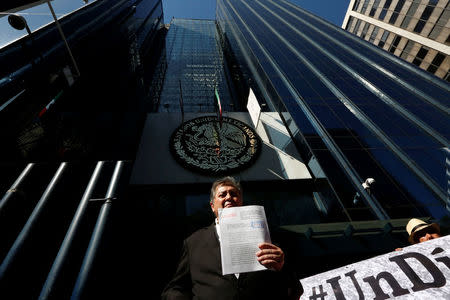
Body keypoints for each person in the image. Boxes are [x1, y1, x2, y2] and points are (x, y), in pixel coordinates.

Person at [161, 176, 302, 300]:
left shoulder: (266, 236)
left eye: (234, 194)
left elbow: (294, 288)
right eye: (222, 195)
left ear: (241, 201)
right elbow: (175, 288)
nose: (229, 197)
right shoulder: (193, 242)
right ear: (212, 206)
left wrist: (282, 267)